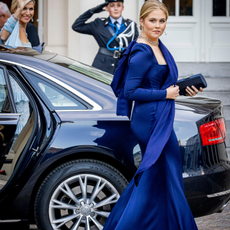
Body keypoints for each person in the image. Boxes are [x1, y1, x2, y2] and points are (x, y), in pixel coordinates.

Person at [104, 0, 202, 229]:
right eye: (152, 21)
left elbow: (159, 83)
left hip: (158, 115)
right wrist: (164, 94)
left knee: (161, 175)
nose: (157, 25)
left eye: (162, 21)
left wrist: (183, 89)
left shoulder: (157, 45)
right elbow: (130, 91)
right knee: (160, 173)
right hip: (149, 120)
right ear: (141, 21)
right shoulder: (142, 51)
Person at [72, 0, 139, 74]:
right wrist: (92, 11)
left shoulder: (131, 26)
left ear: (122, 8)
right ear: (107, 8)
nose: (116, 8)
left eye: (119, 5)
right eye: (112, 5)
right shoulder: (99, 24)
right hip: (102, 66)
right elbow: (76, 26)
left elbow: (136, 46)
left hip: (123, 65)